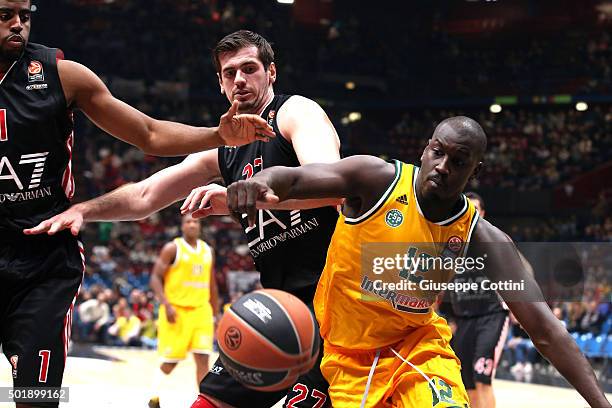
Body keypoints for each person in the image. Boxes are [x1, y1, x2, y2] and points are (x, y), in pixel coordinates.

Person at [26, 30, 342, 408]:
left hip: (336, 304)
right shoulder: (225, 152)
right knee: (208, 402)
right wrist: (84, 210)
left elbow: (333, 185)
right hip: (282, 305)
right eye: (229, 73)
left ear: (271, 72)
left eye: (249, 68)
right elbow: (145, 195)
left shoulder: (295, 112)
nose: (239, 79)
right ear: (221, 83)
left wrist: (244, 198)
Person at [224, 116, 611, 407]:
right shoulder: (375, 179)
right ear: (426, 149)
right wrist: (261, 183)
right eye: (438, 152)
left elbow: (545, 329)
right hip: (345, 355)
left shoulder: (482, 236)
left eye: (458, 162)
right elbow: (294, 179)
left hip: (416, 348)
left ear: (475, 170)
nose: (443, 166)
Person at [0, 1, 273, 406]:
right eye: (6, 14)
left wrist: (218, 136)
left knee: (34, 395)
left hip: (42, 256)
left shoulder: (62, 75)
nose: (18, 23)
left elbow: (148, 133)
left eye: (25, 14)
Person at [147, 215, 219, 408]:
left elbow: (212, 285)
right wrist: (166, 305)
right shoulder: (172, 248)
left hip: (202, 310)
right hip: (176, 311)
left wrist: (217, 313)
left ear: (200, 226)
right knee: (171, 362)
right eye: (188, 222)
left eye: (195, 222)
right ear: (182, 226)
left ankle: (205, 402)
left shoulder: (208, 251)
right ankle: (154, 396)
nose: (192, 224)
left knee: (203, 358)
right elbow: (155, 278)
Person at [447, 192, 509, 408]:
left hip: (491, 316)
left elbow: (519, 273)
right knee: (467, 382)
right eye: (468, 208)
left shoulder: (495, 241)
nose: (472, 212)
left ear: (482, 213)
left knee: (482, 377)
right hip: (463, 319)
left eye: (476, 208)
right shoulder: (450, 243)